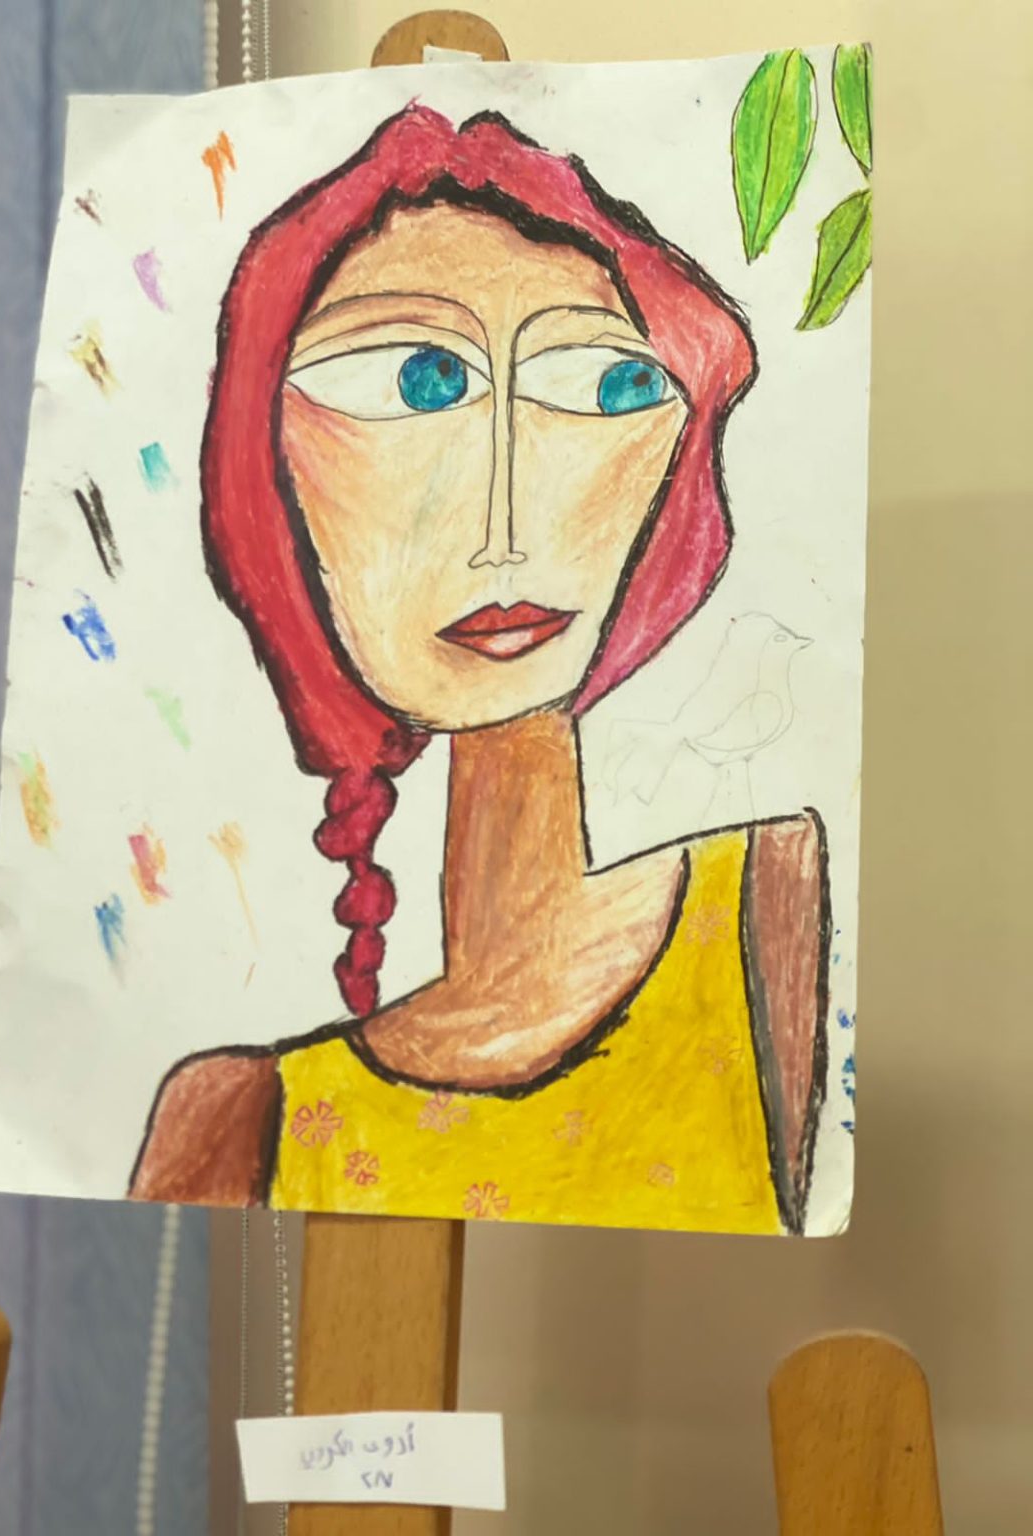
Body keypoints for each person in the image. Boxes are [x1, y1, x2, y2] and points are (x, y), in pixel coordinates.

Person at [129, 105, 829, 1235]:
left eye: (607, 387)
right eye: (415, 382)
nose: (506, 515)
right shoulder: (236, 1121)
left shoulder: (769, 913)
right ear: (263, 463)